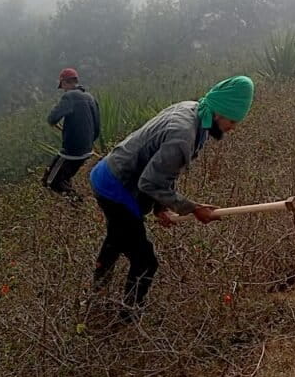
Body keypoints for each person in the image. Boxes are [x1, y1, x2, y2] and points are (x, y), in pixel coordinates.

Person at [88, 76, 254, 323]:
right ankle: (127, 319)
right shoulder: (183, 135)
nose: (233, 128)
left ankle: (95, 297)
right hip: (115, 187)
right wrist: (193, 208)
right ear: (219, 112)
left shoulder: (195, 111)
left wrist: (160, 207)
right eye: (232, 121)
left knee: (116, 238)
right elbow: (150, 182)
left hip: (109, 173)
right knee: (146, 261)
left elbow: (165, 170)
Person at [42, 68, 100, 199]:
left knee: (49, 181)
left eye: (62, 86)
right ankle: (75, 206)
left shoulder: (70, 97)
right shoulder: (90, 97)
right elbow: (97, 128)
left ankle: (78, 203)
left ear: (64, 83)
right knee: (64, 178)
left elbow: (52, 118)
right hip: (86, 151)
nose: (63, 90)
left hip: (71, 152)